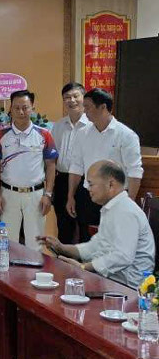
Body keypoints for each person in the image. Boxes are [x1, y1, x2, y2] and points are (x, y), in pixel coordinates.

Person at [38, 160, 154, 290]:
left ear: (111, 184)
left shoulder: (126, 211)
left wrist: (84, 267)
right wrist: (62, 248)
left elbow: (123, 256)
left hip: (127, 289)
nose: (87, 188)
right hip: (110, 279)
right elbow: (96, 246)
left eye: (91, 184)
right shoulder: (112, 208)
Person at [67, 88, 143, 243]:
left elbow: (134, 172)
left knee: (113, 243)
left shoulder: (126, 135)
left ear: (103, 107)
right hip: (88, 196)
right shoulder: (83, 133)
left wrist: (128, 204)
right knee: (86, 240)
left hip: (115, 198)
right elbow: (76, 166)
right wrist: (70, 196)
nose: (84, 111)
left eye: (87, 107)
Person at [0, 90, 57, 251]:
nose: (21, 112)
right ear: (11, 109)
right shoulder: (0, 135)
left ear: (32, 108)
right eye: (16, 108)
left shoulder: (44, 135)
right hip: (8, 195)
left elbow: (51, 165)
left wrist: (48, 195)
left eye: (25, 107)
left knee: (35, 243)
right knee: (6, 243)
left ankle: (34, 275)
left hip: (36, 195)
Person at [50, 83, 89, 244]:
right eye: (67, 97)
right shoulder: (58, 126)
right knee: (64, 227)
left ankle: (85, 268)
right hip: (62, 181)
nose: (71, 100)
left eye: (75, 96)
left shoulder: (93, 126)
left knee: (86, 228)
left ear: (83, 98)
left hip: (86, 182)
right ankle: (64, 266)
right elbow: (53, 158)